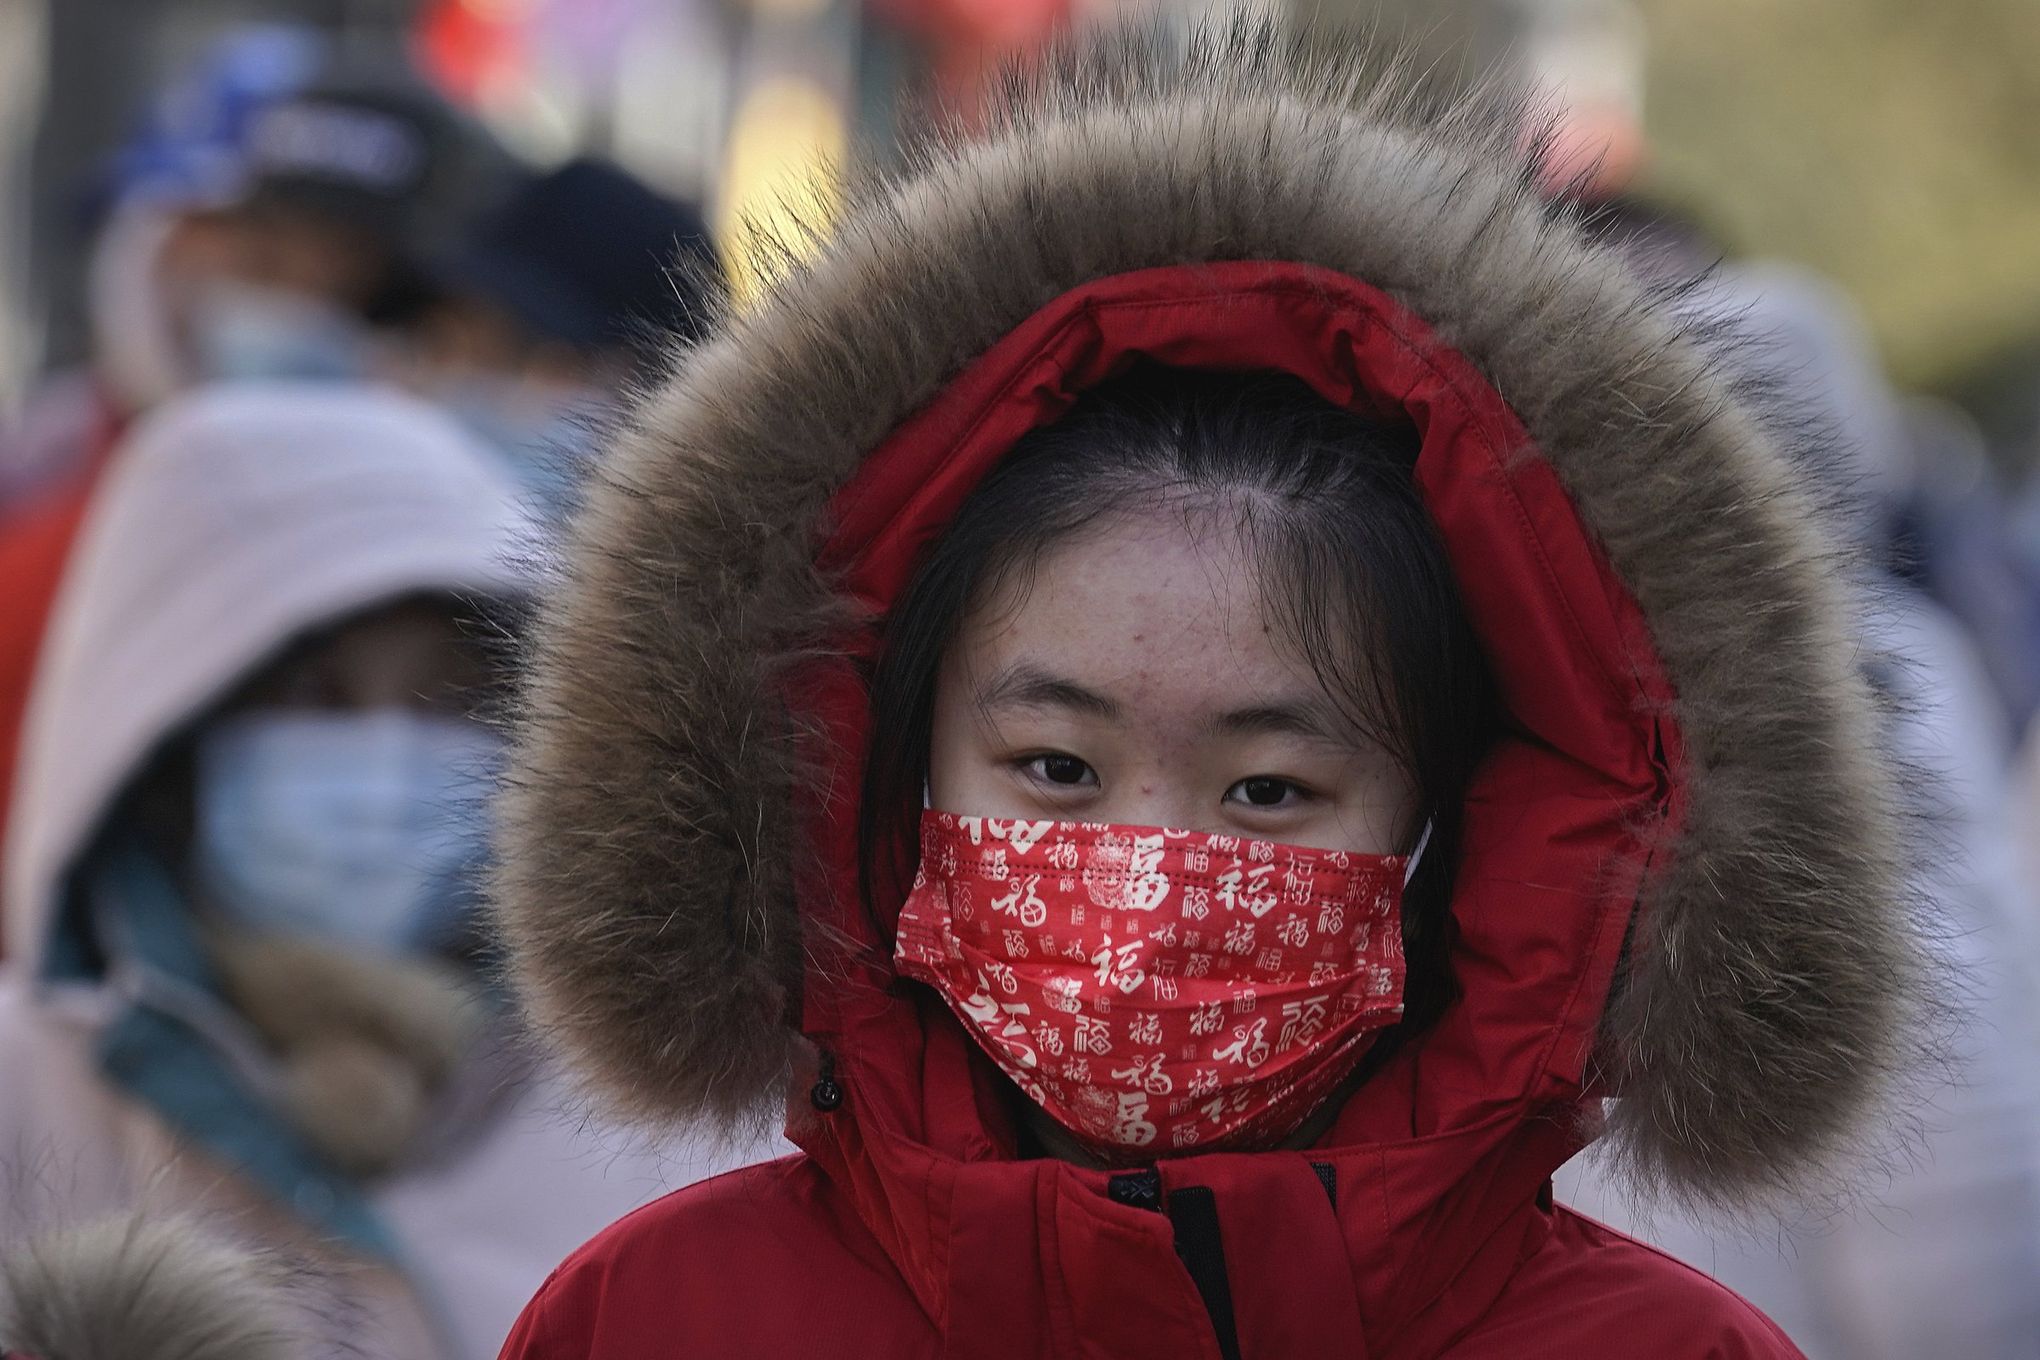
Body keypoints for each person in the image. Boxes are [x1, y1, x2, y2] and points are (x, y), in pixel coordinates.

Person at [488, 24, 1927, 1359]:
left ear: (1447, 834)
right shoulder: (659, 1319)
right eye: (1054, 766)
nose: (1149, 875)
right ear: (884, 776)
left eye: (1269, 791)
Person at [0, 384, 784, 1358]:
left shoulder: (678, 1099)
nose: (382, 756)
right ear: (165, 742)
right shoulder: (25, 1085)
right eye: (313, 692)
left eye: (446, 692)